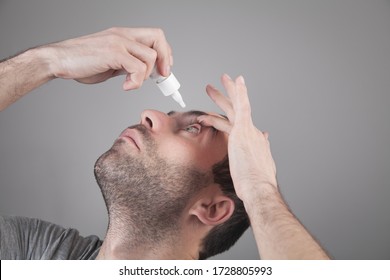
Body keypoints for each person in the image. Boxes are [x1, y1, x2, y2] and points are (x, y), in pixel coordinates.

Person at [0, 27, 330, 260]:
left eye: (193, 130)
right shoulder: (30, 251)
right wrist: (47, 63)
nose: (148, 114)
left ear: (212, 209)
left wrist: (258, 187)